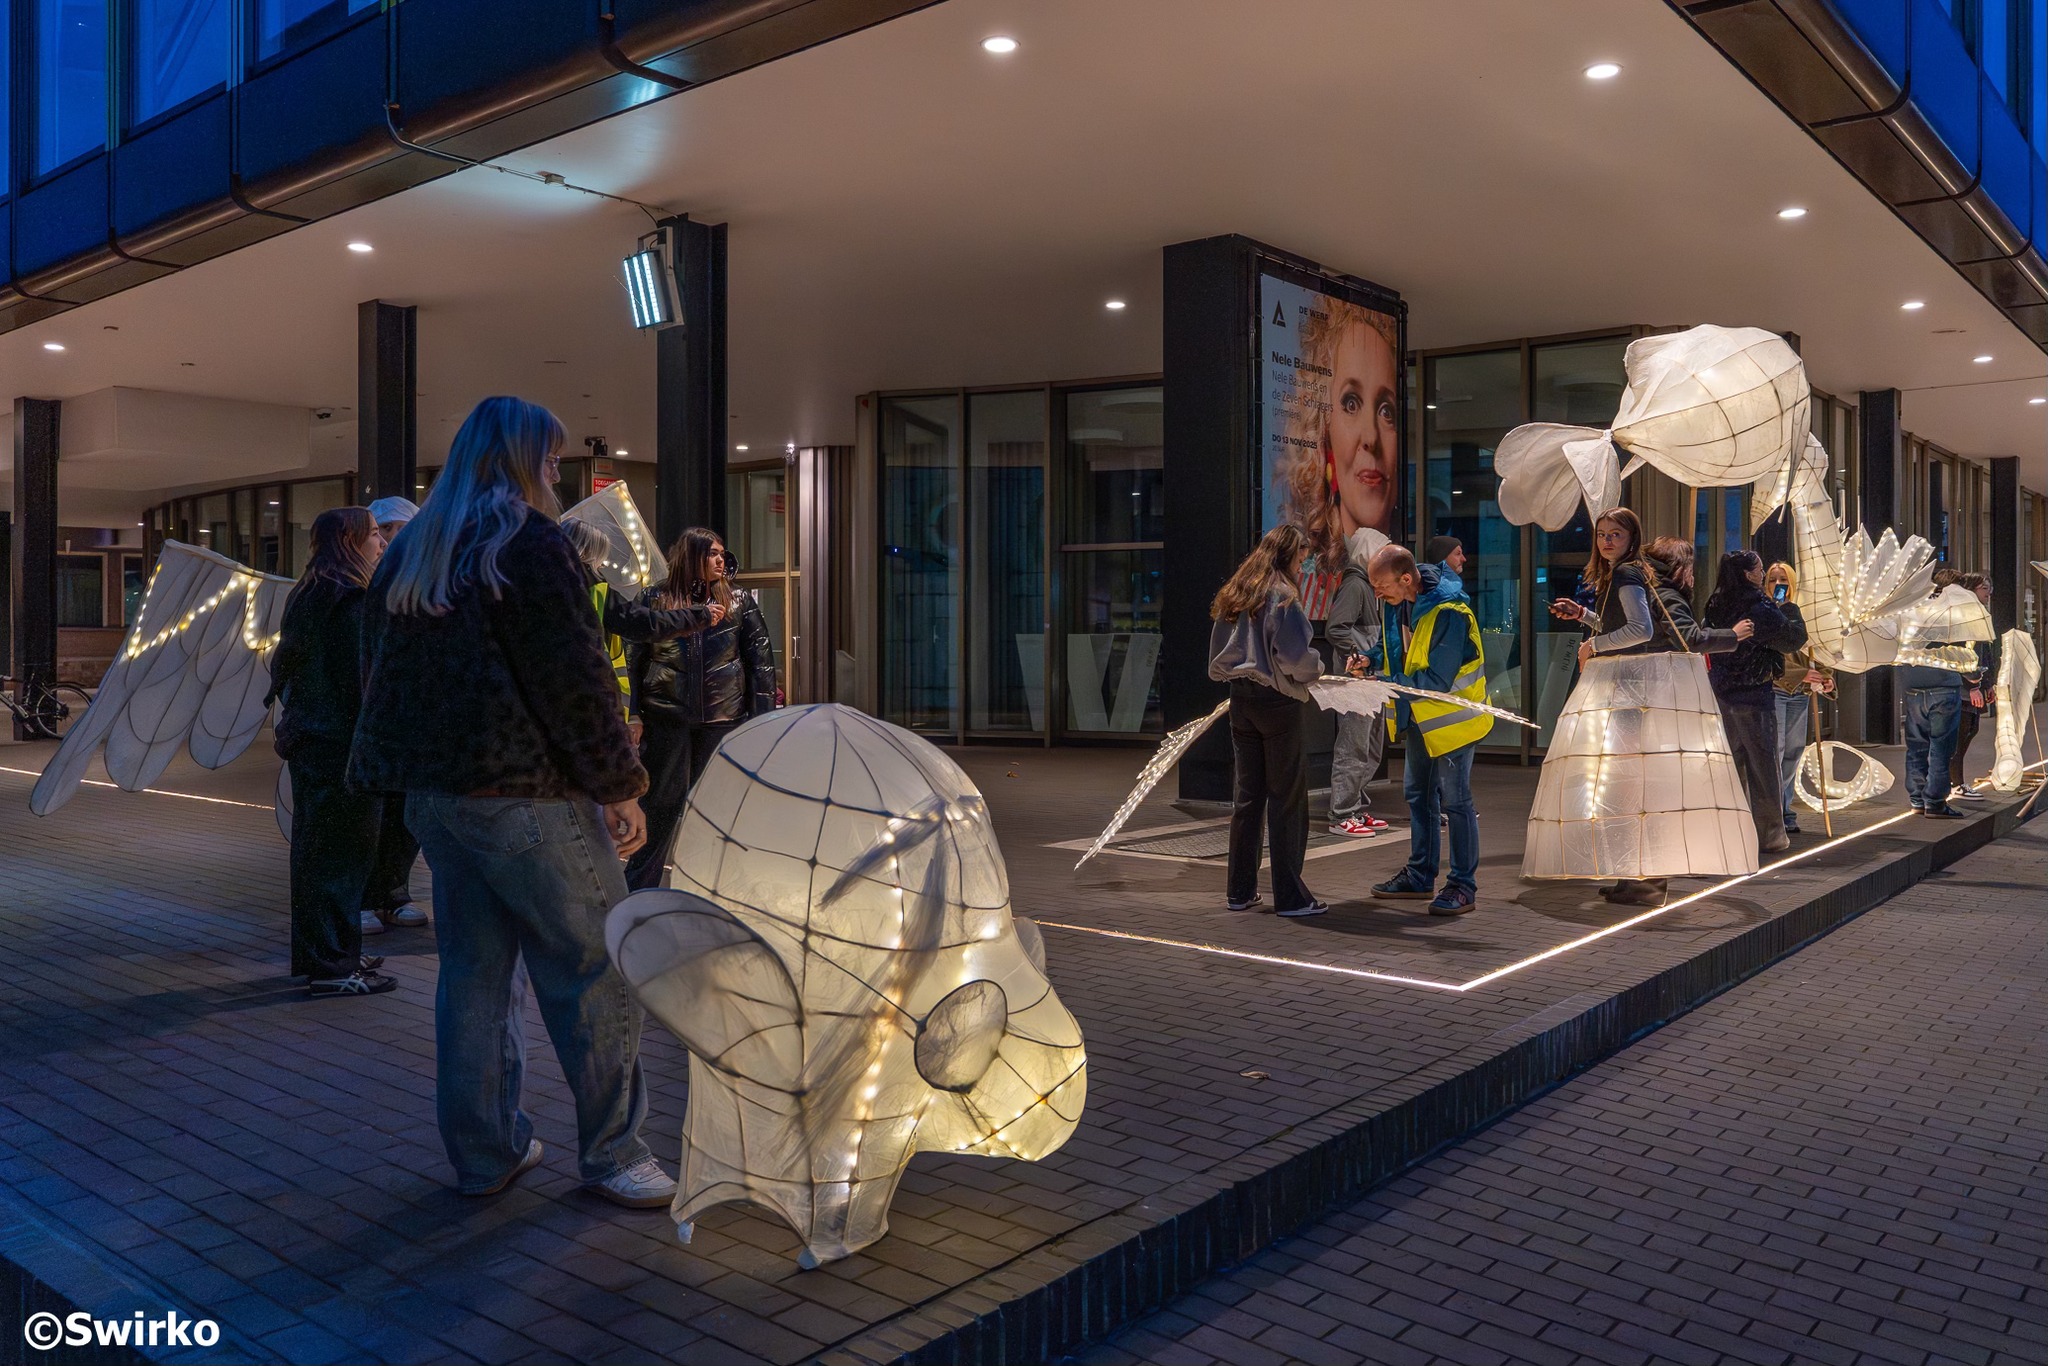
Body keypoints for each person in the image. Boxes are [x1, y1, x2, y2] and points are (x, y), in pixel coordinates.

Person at [351, 395, 675, 1208]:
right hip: (532, 800)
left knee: (474, 977)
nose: (560, 474)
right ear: (521, 460)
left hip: (440, 801)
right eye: (553, 460)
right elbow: (575, 681)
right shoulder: (527, 545)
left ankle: (484, 1152)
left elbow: (377, 679)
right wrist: (619, 787)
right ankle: (615, 1154)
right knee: (595, 969)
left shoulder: (413, 552)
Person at [267, 506, 393, 997]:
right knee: (342, 858)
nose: (381, 544)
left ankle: (332, 955)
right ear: (349, 540)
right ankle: (334, 967)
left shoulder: (313, 592)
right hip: (342, 747)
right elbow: (359, 682)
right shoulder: (347, 599)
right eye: (374, 535)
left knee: (322, 855)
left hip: (316, 742)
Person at [625, 527, 777, 891]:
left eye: (722, 553)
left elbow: (762, 664)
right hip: (667, 720)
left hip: (722, 721)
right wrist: (632, 713)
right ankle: (638, 893)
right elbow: (635, 660)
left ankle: (721, 892)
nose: (721, 559)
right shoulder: (655, 598)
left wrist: (763, 722)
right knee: (660, 807)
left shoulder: (739, 600)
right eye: (712, 553)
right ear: (692, 556)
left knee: (719, 812)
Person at [1361, 543, 1492, 916]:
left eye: (1380, 585)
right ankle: (1421, 876)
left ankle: (1463, 886)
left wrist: (1383, 680)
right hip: (1423, 718)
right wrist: (1368, 659)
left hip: (1454, 723)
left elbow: (1436, 678)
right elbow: (1392, 648)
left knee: (1456, 801)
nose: (1377, 593)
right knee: (1418, 794)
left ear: (1406, 579)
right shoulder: (1399, 601)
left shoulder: (1450, 612)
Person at [1208, 524, 1328, 917]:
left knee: (1248, 798)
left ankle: (1239, 891)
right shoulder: (1282, 596)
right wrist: (1319, 669)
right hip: (1278, 702)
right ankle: (1292, 898)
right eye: (1300, 557)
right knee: (1287, 799)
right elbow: (1296, 657)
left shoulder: (1237, 593)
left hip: (1240, 700)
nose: (1303, 564)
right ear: (1287, 556)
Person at [559, 516, 718, 739]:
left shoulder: (532, 586)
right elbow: (646, 624)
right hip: (589, 705)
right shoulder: (594, 588)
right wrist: (697, 616)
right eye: (600, 558)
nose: (602, 565)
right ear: (588, 553)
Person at [1279, 300, 1402, 573]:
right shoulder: (1308, 573)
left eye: (1387, 411)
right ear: (1324, 428)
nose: (1370, 436)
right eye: (1350, 403)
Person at [359, 495, 427, 935]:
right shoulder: (353, 588)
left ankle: (394, 892)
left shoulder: (425, 583)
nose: (391, 541)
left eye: (401, 531)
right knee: (371, 813)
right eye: (384, 532)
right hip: (371, 721)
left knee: (408, 812)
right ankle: (365, 896)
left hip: (413, 722)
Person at [1705, 550, 1801, 855]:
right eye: (1760, 570)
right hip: (1754, 694)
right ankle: (1771, 835)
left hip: (1721, 692)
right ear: (1749, 574)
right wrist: (1788, 609)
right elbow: (1791, 639)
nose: (1763, 576)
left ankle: (1733, 831)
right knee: (1763, 766)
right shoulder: (1760, 607)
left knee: (1731, 765)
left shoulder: (1715, 602)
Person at [1324, 526, 1388, 837]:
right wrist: (1358, 658)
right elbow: (1336, 629)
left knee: (1370, 747)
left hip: (1367, 680)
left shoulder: (1365, 586)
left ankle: (1354, 808)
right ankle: (1342, 814)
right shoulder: (1355, 585)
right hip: (1356, 682)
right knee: (1354, 746)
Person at [1763, 562, 1833, 834]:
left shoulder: (1801, 615)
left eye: (1783, 579)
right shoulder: (1765, 614)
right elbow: (1769, 658)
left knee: (1791, 753)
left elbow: (1818, 653)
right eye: (1772, 579)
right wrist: (1802, 674)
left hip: (1800, 695)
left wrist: (1825, 677)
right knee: (1775, 751)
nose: (1778, 585)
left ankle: (1785, 809)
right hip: (1776, 691)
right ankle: (1774, 812)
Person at [1898, 574, 1968, 820]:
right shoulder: (1952, 613)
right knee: (1941, 747)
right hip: (1944, 686)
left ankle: (1917, 799)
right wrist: (1975, 679)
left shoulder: (1909, 611)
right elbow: (1961, 653)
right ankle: (1935, 802)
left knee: (1916, 746)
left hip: (1914, 686)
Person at [1947, 572, 1995, 803]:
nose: (1988, 592)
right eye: (1983, 587)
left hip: (1975, 682)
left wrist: (1988, 684)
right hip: (1964, 685)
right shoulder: (1965, 615)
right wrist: (1973, 684)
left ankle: (1952, 781)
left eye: (1989, 587)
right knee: (1960, 734)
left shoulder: (1979, 614)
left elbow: (1984, 652)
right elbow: (1964, 653)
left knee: (1970, 730)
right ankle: (1955, 783)